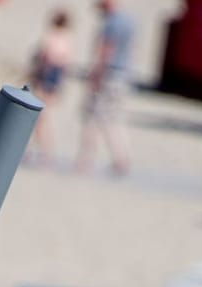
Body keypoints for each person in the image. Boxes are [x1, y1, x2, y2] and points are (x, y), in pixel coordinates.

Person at [76, 0, 134, 176]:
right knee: (112, 118)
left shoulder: (111, 23)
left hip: (108, 75)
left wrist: (95, 76)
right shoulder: (129, 21)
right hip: (121, 76)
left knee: (92, 118)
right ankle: (121, 158)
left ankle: (86, 160)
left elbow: (105, 51)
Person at [26, 10, 74, 164]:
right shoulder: (68, 39)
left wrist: (35, 75)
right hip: (56, 78)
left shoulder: (51, 37)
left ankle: (43, 151)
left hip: (47, 75)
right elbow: (65, 64)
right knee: (44, 116)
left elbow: (44, 58)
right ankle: (41, 150)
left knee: (39, 117)